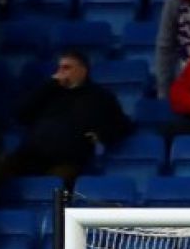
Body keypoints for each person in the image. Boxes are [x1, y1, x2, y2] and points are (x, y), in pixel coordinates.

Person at [9, 49, 132, 181]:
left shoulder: (100, 97)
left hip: (68, 158)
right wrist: (48, 87)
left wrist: (101, 135)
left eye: (67, 68)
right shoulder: (49, 92)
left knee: (56, 184)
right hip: (33, 153)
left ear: (82, 70)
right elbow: (21, 115)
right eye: (59, 68)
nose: (60, 72)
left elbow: (123, 125)